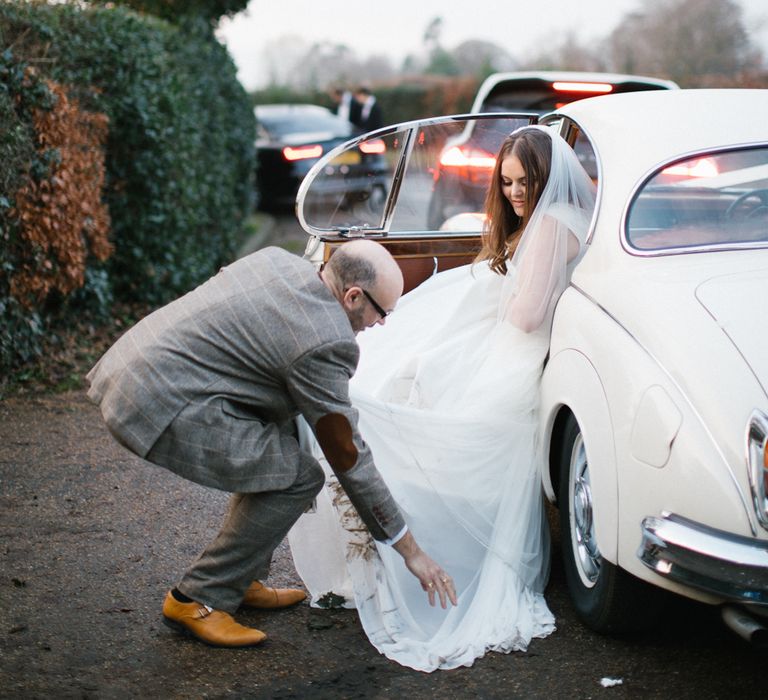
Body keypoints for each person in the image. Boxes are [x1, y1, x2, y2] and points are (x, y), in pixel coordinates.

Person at [289, 125, 596, 671]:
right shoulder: (554, 219)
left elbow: (526, 316)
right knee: (408, 369)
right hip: (514, 341)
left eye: (525, 181)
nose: (516, 193)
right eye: (507, 183)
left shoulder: (552, 223)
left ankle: (426, 547)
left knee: (413, 393)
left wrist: (495, 296)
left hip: (518, 348)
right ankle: (399, 530)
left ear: (548, 178)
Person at [85, 241, 457, 649]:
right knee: (297, 477)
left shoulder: (278, 261)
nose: (382, 323)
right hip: (159, 402)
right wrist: (410, 550)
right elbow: (348, 454)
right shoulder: (325, 341)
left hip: (137, 366)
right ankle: (198, 599)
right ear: (353, 296)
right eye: (382, 312)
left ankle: (239, 578)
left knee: (275, 448)